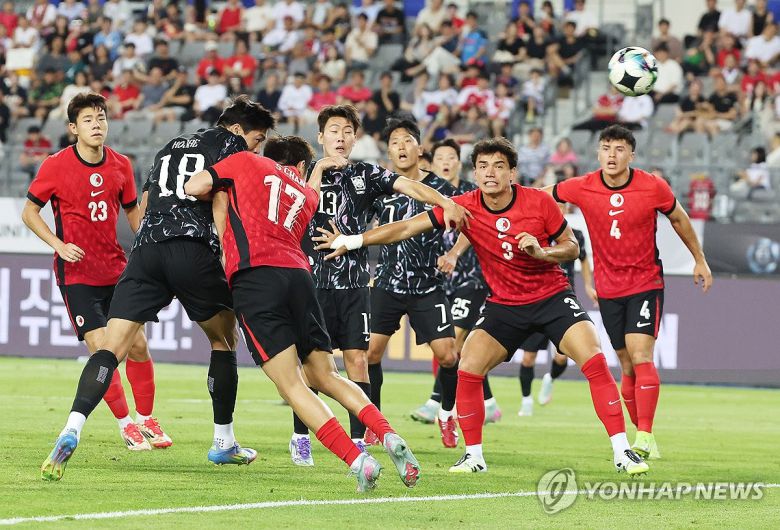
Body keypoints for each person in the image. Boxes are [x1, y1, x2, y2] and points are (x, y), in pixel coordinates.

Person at [315, 136, 650, 476]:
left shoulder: (538, 202)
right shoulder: (465, 207)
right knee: (468, 366)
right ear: (474, 173)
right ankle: (473, 456)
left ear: (512, 173)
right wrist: (353, 240)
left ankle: (622, 451)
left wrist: (542, 252)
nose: (490, 173)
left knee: (594, 358)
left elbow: (571, 246)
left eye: (499, 166)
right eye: (483, 166)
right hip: (505, 304)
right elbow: (405, 227)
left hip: (552, 298)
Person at [39, 96, 276, 481]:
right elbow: (221, 199)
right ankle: (224, 442)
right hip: (192, 248)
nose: (256, 149)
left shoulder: (171, 146)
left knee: (110, 349)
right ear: (236, 130)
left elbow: (146, 201)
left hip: (146, 251)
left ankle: (72, 428)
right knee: (224, 340)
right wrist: (225, 251)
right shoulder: (230, 146)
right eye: (257, 139)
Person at [183, 136, 421, 493]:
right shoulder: (306, 194)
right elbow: (307, 189)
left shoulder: (245, 161)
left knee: (293, 384)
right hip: (300, 277)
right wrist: (319, 168)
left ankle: (358, 461)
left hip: (255, 278)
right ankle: (388, 434)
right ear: (299, 167)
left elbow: (193, 186)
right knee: (328, 375)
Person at [288, 104, 469, 466]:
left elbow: (410, 186)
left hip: (355, 284)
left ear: (355, 139)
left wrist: (445, 201)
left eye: (348, 131)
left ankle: (359, 441)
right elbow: (298, 212)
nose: (341, 137)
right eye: (333, 131)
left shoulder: (366, 173)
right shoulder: (302, 172)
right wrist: (318, 171)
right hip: (312, 282)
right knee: (312, 363)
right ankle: (301, 437)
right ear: (320, 137)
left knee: (358, 360)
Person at [549, 124, 713, 459]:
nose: (612, 155)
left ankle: (645, 435)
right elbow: (541, 196)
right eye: (606, 147)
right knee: (625, 364)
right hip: (608, 289)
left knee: (641, 357)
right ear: (598, 153)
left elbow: (679, 219)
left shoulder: (652, 186)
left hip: (645, 283)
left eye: (619, 149)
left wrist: (699, 259)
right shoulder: (582, 186)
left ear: (631, 155)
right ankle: (643, 435)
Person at [23, 93, 169, 453]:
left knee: (138, 345)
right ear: (73, 128)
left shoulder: (120, 164)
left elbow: (133, 213)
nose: (96, 124)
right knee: (103, 349)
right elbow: (29, 212)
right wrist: (58, 245)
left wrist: (150, 249)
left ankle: (147, 419)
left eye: (101, 117)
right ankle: (125, 424)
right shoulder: (55, 165)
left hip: (116, 270)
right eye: (88, 119)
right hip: (77, 274)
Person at [365, 119, 461, 448]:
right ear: (389, 151)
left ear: (420, 149)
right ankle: (374, 422)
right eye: (395, 142)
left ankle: (446, 414)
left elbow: (469, 224)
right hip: (386, 283)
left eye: (408, 140)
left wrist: (453, 253)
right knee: (369, 353)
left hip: (427, 286)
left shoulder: (442, 190)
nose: (402, 147)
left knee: (448, 356)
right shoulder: (379, 189)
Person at [410, 138, 502, 426]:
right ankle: (489, 403)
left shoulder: (471, 194)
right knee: (453, 348)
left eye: (451, 157)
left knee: (458, 338)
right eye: (440, 158)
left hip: (473, 278)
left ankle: (435, 402)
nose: (446, 162)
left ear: (459, 163)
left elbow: (477, 229)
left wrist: (453, 253)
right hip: (440, 282)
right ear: (432, 163)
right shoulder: (427, 194)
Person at [517, 208, 597, 416]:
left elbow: (584, 259)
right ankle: (526, 401)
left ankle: (550, 379)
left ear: (566, 209)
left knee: (562, 357)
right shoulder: (534, 234)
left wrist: (588, 286)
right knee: (528, 357)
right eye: (555, 204)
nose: (558, 208)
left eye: (562, 205)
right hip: (536, 298)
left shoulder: (574, 235)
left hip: (562, 298)